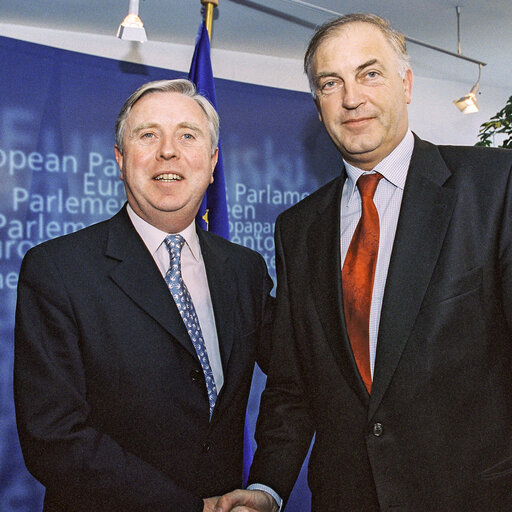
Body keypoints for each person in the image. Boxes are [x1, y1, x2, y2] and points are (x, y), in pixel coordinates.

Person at [214, 13, 512, 512]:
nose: (352, 97)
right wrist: (267, 487)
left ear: (406, 83)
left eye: (370, 73)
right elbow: (292, 383)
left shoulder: (494, 186)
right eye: (331, 83)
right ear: (317, 104)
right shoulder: (299, 228)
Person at [14, 78, 273, 512]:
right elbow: (53, 437)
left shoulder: (245, 270)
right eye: (148, 135)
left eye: (187, 136)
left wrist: (269, 485)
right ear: (120, 159)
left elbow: (299, 381)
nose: (168, 151)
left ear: (212, 164)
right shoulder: (57, 270)